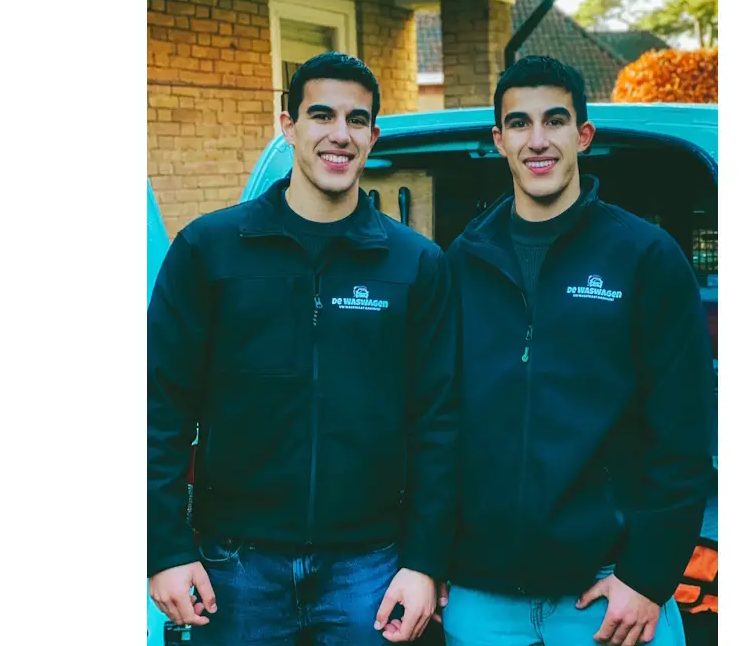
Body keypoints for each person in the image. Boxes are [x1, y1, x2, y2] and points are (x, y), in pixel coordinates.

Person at [148, 51, 459, 646]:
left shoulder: (416, 264)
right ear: (288, 125)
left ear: (373, 136)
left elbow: (439, 423)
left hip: (369, 568)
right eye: (322, 115)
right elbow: (157, 407)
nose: (340, 134)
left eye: (356, 119)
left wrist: (424, 561)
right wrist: (164, 548)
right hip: (233, 567)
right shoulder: (210, 251)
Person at [441, 56, 715, 646]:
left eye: (555, 121)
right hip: (481, 600)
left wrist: (647, 576)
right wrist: (430, 558)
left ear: (583, 135)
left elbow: (684, 435)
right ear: (499, 140)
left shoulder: (645, 257)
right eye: (519, 123)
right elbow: (436, 421)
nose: (537, 140)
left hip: (610, 598)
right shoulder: (462, 261)